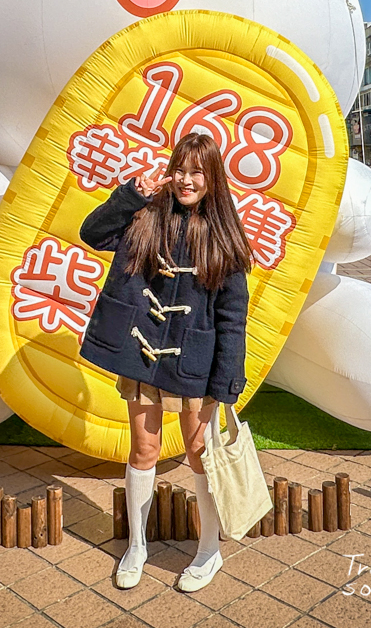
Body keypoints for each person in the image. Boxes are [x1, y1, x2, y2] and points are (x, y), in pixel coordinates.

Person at [78, 133, 251, 593]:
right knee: (144, 450)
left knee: (199, 453)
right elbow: (91, 233)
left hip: (196, 354)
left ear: (212, 178)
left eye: (198, 172)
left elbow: (234, 317)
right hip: (143, 353)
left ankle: (208, 549)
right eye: (181, 169)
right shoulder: (145, 217)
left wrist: (227, 380)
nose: (187, 180)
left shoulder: (225, 235)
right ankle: (136, 545)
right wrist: (134, 192)